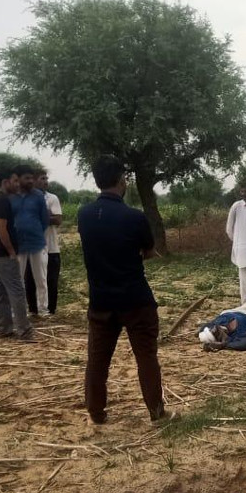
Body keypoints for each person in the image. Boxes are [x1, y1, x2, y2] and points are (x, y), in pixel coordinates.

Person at [77, 156, 173, 425]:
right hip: (135, 299)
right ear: (122, 180)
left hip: (100, 300)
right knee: (146, 357)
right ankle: (156, 412)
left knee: (97, 359)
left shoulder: (84, 215)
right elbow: (149, 251)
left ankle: (96, 412)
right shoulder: (135, 217)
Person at [0, 169, 35, 341]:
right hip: (4, 255)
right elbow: (1, 228)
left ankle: (4, 328)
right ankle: (25, 331)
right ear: (5, 182)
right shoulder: (2, 200)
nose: (18, 184)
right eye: (15, 181)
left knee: (0, 292)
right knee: (17, 291)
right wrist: (11, 251)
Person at [10, 165, 51, 315]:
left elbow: (44, 220)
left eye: (32, 178)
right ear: (18, 179)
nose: (30, 181)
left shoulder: (38, 196)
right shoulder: (11, 196)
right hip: (18, 244)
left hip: (37, 242)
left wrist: (36, 231)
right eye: (26, 178)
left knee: (41, 278)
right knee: (18, 279)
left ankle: (43, 309)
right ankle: (18, 310)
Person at [25, 172, 63, 316]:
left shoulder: (52, 198)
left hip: (51, 247)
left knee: (51, 280)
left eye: (46, 178)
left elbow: (58, 220)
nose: (46, 181)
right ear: (34, 181)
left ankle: (50, 310)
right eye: (42, 178)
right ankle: (33, 310)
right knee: (30, 281)